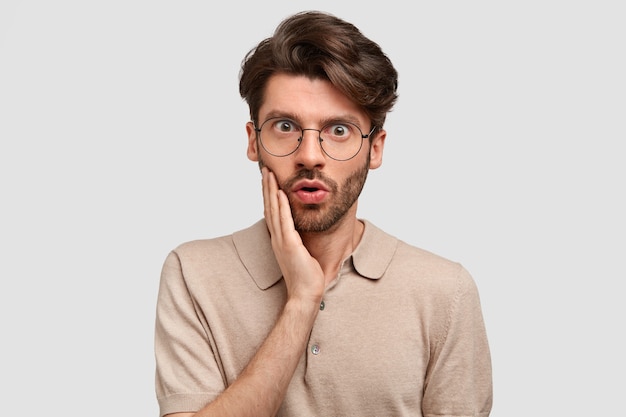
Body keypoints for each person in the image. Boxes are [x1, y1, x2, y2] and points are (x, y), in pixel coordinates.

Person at [154, 10, 492, 417]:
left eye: (338, 130)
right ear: (253, 141)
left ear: (376, 148)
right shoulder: (194, 273)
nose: (309, 155)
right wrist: (302, 299)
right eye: (284, 126)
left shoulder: (444, 291)